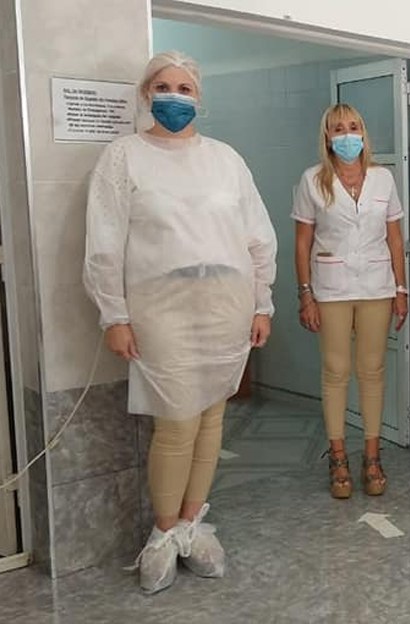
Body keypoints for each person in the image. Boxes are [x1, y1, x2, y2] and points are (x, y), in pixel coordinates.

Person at [83, 51, 278, 594]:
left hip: (226, 303)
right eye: (163, 86)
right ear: (146, 94)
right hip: (160, 308)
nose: (174, 95)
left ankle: (192, 525)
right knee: (176, 421)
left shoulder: (225, 159)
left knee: (212, 416)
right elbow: (104, 242)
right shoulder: (124, 157)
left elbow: (258, 235)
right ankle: (164, 533)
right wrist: (114, 314)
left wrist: (262, 303)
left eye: (185, 87)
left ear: (199, 96)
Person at [292, 103, 408, 499]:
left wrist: (401, 289)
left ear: (363, 132)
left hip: (377, 286)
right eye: (338, 128)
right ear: (327, 136)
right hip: (331, 288)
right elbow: (302, 242)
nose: (347, 135)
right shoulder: (313, 180)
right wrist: (305, 294)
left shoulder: (383, 178)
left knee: (372, 370)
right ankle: (338, 456)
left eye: (353, 126)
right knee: (336, 370)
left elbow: (395, 238)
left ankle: (372, 456)